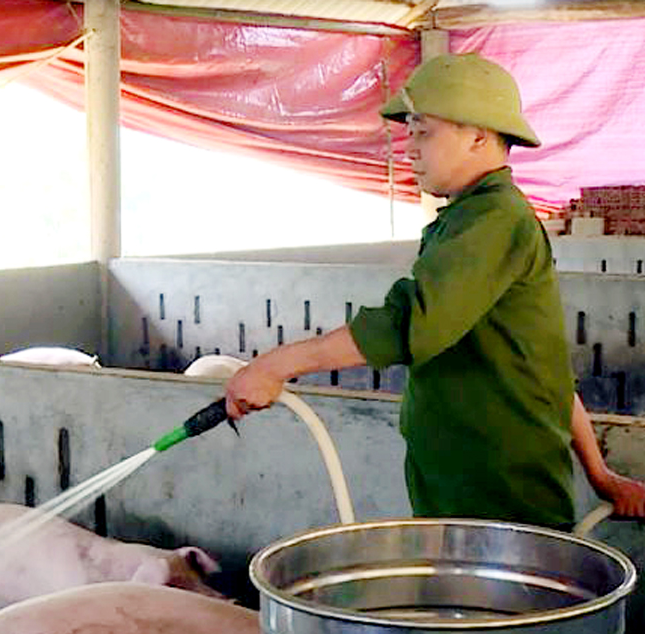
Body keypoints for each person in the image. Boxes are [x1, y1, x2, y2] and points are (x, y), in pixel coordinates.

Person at [224, 52, 645, 529]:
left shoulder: (495, 221)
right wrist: (601, 474)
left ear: (479, 136)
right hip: (464, 495)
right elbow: (546, 372)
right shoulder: (466, 221)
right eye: (409, 134)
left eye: (423, 131)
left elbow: (405, 322)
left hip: (495, 505)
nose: (409, 150)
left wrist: (277, 364)